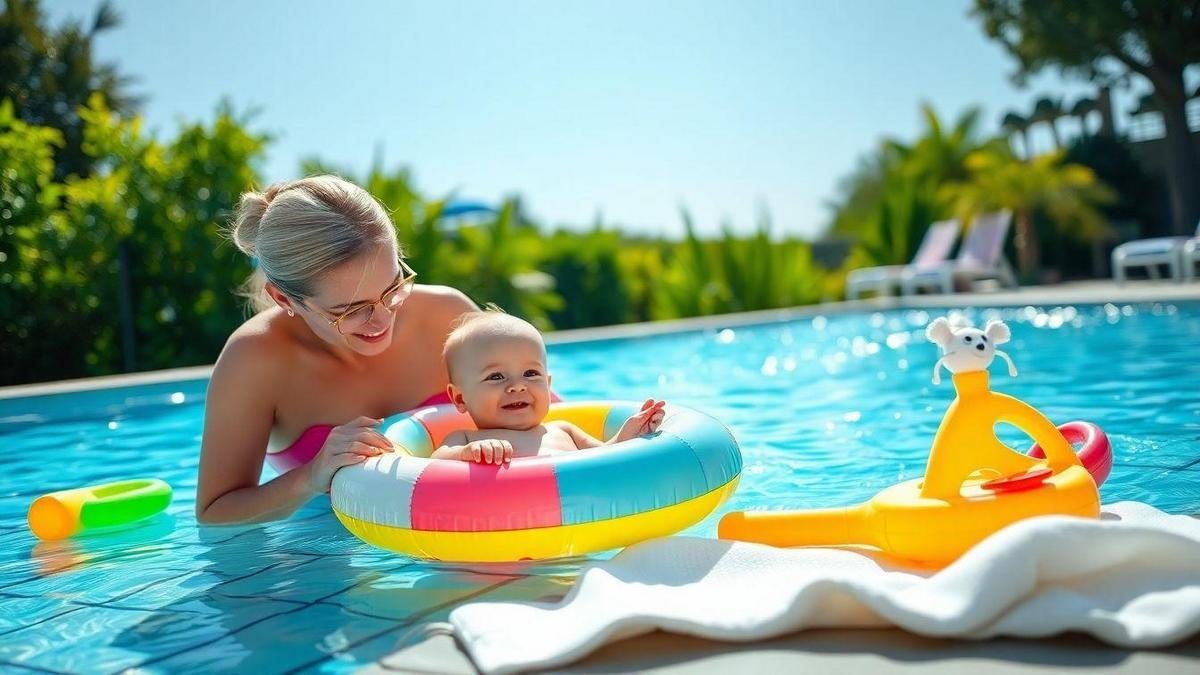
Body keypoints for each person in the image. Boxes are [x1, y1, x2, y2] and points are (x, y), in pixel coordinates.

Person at [196, 175, 477, 524]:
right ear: (284, 299)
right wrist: (311, 476)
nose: (381, 319)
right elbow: (214, 513)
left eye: (392, 288)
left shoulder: (445, 316)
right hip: (332, 548)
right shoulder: (255, 362)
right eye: (351, 310)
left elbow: (544, 412)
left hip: (469, 523)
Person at [432, 310, 665, 464]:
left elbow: (606, 458)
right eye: (495, 376)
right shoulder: (465, 438)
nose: (517, 386)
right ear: (460, 398)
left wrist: (627, 436)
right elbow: (434, 464)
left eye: (531, 373)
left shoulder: (564, 431)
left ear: (548, 385)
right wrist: (466, 454)